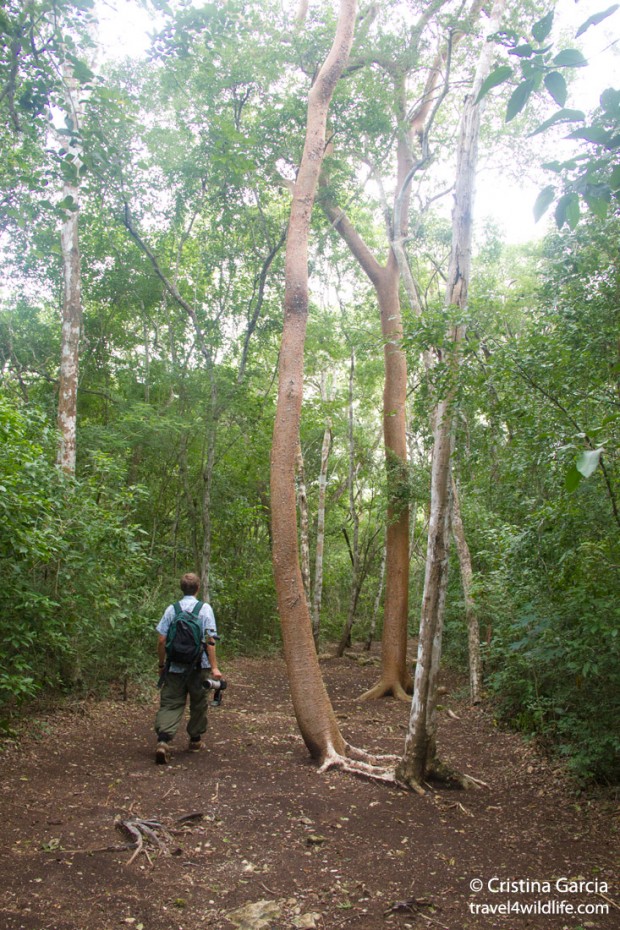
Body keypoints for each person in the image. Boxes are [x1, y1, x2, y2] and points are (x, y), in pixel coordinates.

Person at [154, 572, 222, 764]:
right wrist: (215, 668)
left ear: (181, 588)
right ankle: (195, 740)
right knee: (199, 702)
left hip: (174, 666)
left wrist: (161, 664)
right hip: (199, 666)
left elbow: (161, 639)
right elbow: (210, 641)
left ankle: (163, 741)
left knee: (170, 702)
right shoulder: (205, 609)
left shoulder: (172, 609)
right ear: (198, 588)